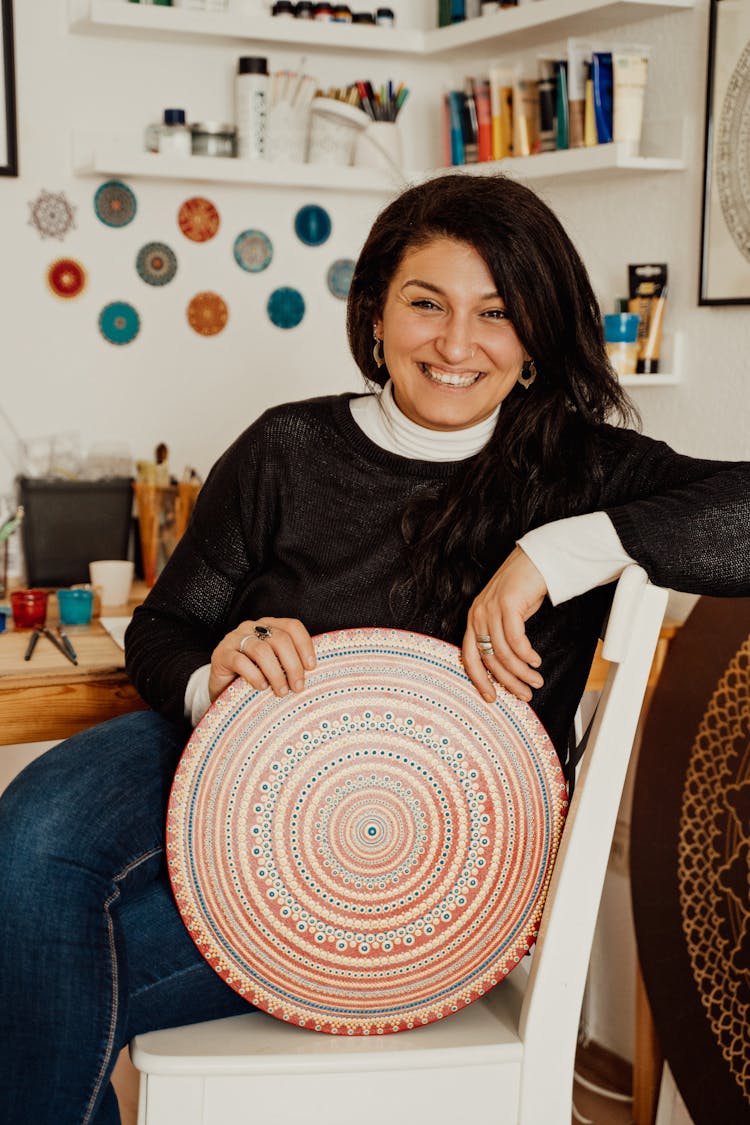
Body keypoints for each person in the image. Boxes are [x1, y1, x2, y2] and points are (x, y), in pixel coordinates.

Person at [0, 173, 747, 1125]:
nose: (456, 343)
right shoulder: (288, 449)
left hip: (426, 873)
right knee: (27, 847)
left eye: (497, 313)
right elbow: (164, 626)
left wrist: (551, 554)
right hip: (236, 758)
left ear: (534, 341)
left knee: (38, 971)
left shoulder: (583, 471)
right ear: (377, 315)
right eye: (425, 304)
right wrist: (213, 673)